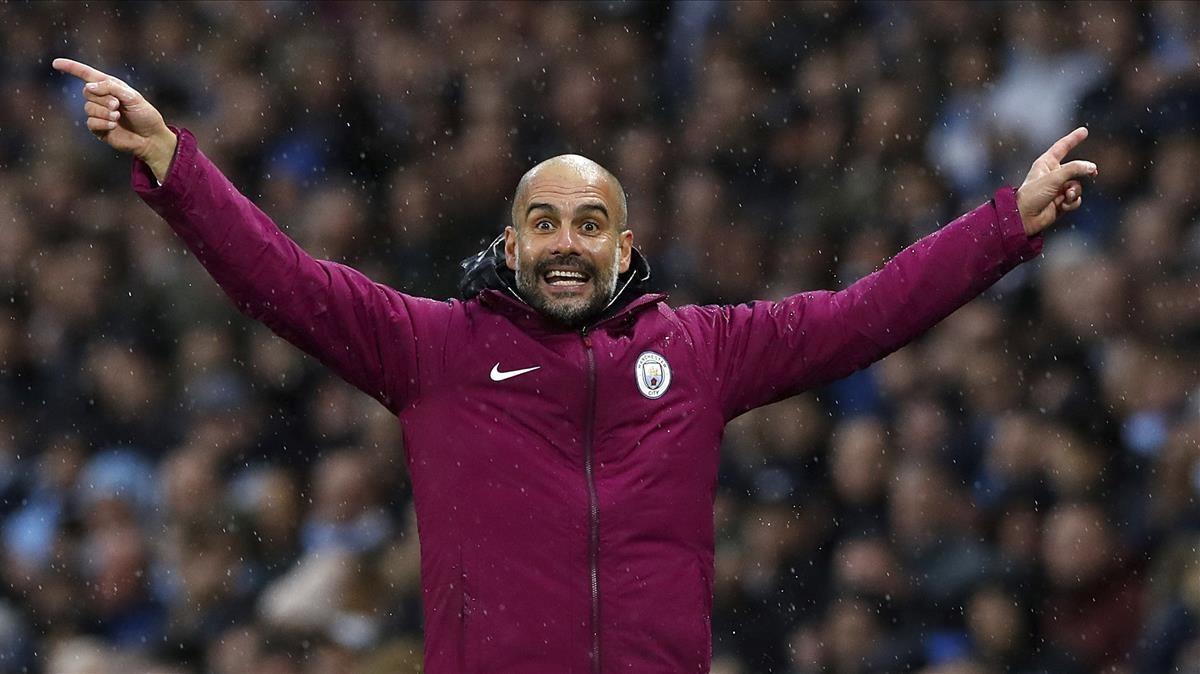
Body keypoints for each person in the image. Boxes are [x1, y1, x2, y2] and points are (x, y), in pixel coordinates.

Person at [52, 57, 1097, 673]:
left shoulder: (700, 352)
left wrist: (1006, 224)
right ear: (510, 246)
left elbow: (868, 312)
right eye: (543, 223)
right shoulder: (432, 349)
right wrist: (175, 166)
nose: (564, 242)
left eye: (588, 223)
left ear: (623, 242)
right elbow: (280, 277)